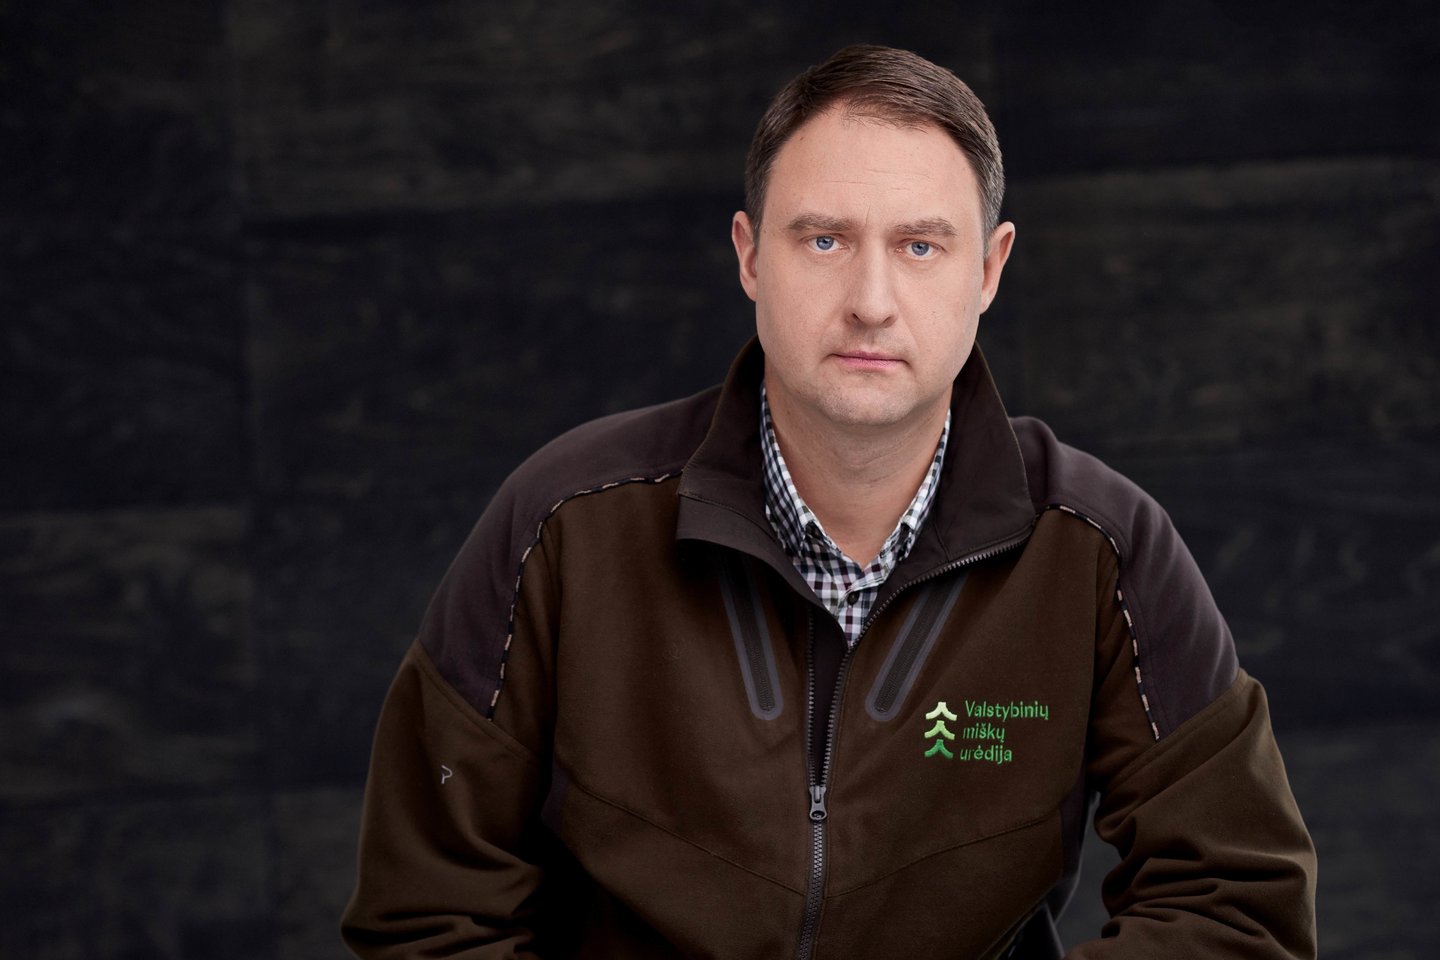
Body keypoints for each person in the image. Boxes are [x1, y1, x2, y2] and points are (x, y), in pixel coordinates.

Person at [341, 44, 1317, 959]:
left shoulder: (1100, 548)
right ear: (749, 255)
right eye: (823, 239)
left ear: (989, 270)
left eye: (921, 246)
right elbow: (427, 913)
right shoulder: (564, 523)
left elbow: (1235, 900)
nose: (871, 300)